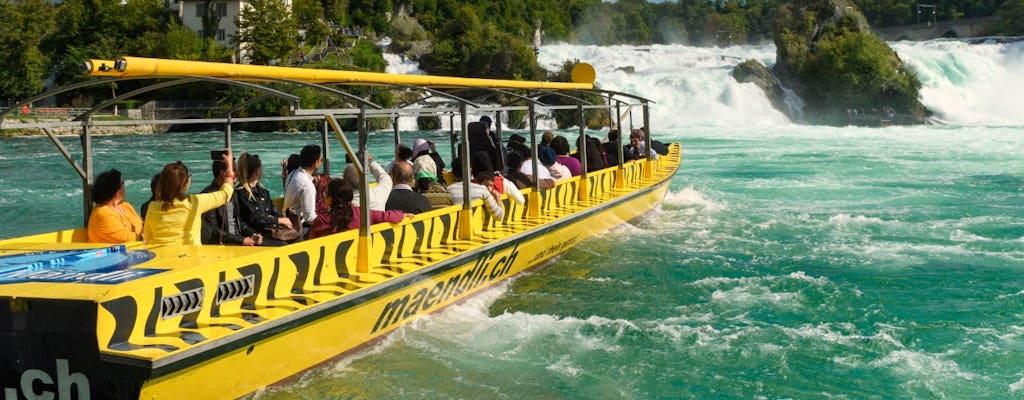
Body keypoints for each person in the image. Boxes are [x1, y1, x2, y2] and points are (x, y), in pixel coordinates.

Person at [144, 150, 235, 245]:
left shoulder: (153, 206)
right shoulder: (195, 202)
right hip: (190, 256)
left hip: (163, 257)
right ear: (185, 184)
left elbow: (148, 237)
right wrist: (229, 167)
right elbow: (225, 193)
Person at [308, 178, 410, 239]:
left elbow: (311, 243)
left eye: (325, 193)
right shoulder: (362, 213)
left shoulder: (322, 220)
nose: (324, 195)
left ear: (330, 198)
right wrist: (402, 215)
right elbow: (386, 216)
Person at [234, 152, 293, 246]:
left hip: (270, 231)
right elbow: (255, 219)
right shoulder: (242, 193)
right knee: (284, 246)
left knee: (297, 239)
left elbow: (272, 209)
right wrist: (278, 220)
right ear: (257, 170)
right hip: (256, 234)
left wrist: (282, 219)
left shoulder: (263, 191)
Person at [200, 155, 261, 246]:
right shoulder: (208, 196)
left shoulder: (232, 192)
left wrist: (253, 234)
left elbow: (238, 222)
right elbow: (213, 231)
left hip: (237, 240)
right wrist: (241, 240)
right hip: (223, 245)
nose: (237, 173)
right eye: (234, 170)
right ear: (223, 173)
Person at [88, 169, 143, 243]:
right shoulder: (102, 213)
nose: (124, 185)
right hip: (111, 253)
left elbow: (141, 225)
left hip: (135, 249)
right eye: (122, 183)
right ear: (116, 191)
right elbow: (123, 238)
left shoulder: (125, 205)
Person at [283, 145, 322, 232]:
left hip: (288, 219)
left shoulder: (293, 174)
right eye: (320, 159)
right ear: (316, 162)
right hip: (299, 227)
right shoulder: (307, 185)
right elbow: (310, 218)